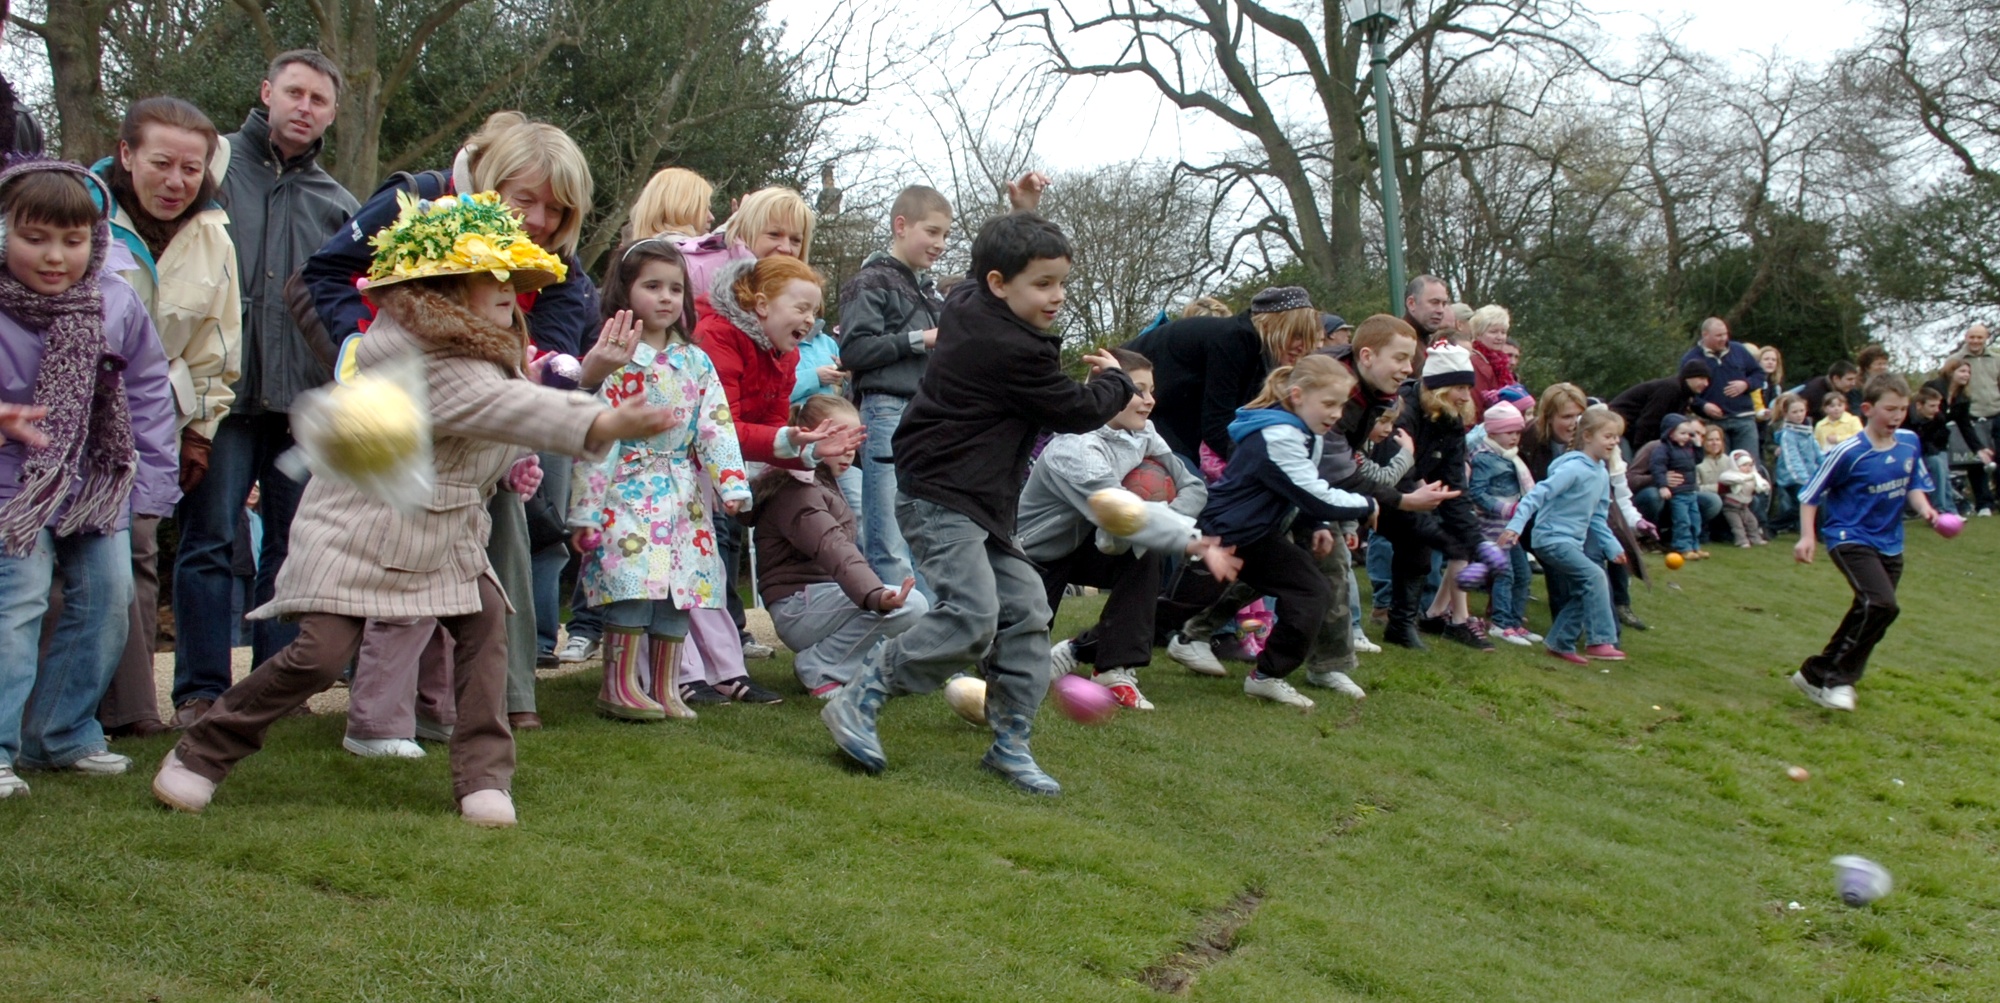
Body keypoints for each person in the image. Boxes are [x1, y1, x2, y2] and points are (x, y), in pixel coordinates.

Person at [152, 193, 673, 826]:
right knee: (317, 655)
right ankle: (202, 754)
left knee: (484, 631)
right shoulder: (428, 357)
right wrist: (606, 419)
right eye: (493, 278)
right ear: (448, 290)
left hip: (446, 530)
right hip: (358, 526)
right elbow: (512, 408)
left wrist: (585, 379)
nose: (512, 291)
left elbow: (515, 396)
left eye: (514, 278)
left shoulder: (485, 351)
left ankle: (484, 777)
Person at [818, 210, 1138, 796]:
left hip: (980, 500)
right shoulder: (1011, 346)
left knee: (1027, 610)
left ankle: (1010, 742)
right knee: (970, 615)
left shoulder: (968, 300)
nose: (1058, 296)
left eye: (1062, 282)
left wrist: (1016, 208)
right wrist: (1119, 381)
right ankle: (859, 695)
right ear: (1000, 284)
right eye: (1043, 283)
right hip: (942, 494)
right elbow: (1077, 410)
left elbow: (974, 270)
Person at [301, 110, 598, 730]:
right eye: (527, 202)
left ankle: (504, 703)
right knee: (387, 554)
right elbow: (329, 270)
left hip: (484, 423)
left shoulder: (557, 264)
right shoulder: (416, 203)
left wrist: (545, 368)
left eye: (558, 211)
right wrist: (359, 348)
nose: (541, 222)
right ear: (489, 184)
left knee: (502, 543)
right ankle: (374, 704)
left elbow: (557, 324)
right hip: (393, 412)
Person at [172, 51, 357, 735]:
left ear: (332, 115)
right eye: (294, 92)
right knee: (212, 540)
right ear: (267, 93)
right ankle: (198, 690)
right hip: (222, 397)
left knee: (294, 549)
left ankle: (276, 688)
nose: (304, 107)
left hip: (301, 404)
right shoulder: (212, 173)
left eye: (319, 100)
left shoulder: (337, 203)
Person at [0, 159, 178, 796]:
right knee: (16, 606)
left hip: (95, 484)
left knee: (108, 602)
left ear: (95, 240)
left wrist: (153, 486)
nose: (55, 257)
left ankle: (61, 732)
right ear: (3, 234)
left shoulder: (116, 300)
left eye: (72, 241)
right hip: (9, 490)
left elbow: (148, 393)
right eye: (35, 238)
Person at [89, 98, 242, 738]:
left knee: (135, 557)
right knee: (53, 566)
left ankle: (126, 712)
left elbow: (219, 343)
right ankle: (45, 715)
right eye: (161, 163)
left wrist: (199, 433)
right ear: (126, 155)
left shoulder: (213, 231)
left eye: (191, 168)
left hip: (155, 419)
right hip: (70, 412)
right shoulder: (83, 211)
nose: (176, 181)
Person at [570, 236, 753, 719]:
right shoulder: (614, 357)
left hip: (683, 495)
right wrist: (586, 511)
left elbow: (715, 423)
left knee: (681, 589)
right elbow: (598, 436)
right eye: (653, 286)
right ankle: (619, 686)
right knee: (631, 585)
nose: (667, 298)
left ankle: (668, 686)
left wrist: (731, 483)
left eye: (676, 288)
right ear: (626, 291)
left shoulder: (694, 360)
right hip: (626, 488)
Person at [690, 254, 860, 704]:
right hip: (684, 467)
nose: (810, 318)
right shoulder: (717, 336)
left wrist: (805, 449)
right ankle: (689, 672)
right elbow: (721, 427)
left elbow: (764, 430)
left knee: (707, 571)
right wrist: (795, 444)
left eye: (814, 310)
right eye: (801, 308)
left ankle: (723, 669)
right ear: (761, 305)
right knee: (689, 573)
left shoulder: (782, 354)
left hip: (719, 472)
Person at [1022, 349, 1223, 710]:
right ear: (1109, 393)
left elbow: (1194, 487)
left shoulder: (1143, 431)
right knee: (1010, 674)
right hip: (1038, 557)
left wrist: (1165, 518)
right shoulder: (1075, 447)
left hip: (1095, 543)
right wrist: (1192, 540)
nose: (1151, 401)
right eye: (1140, 390)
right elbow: (1121, 513)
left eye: (1151, 390)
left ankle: (1114, 668)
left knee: (1144, 553)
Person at [1196, 356, 1373, 707]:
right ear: (1297, 395)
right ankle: (1085, 649)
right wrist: (1371, 504)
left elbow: (1299, 486)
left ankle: (1266, 675)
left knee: (1310, 591)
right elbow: (1314, 494)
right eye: (1329, 403)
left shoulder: (1303, 430)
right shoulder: (1279, 434)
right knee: (1170, 605)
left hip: (1255, 533)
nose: (1337, 413)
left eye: (1341, 405)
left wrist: (1317, 525)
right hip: (1226, 532)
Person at [744, 394, 927, 698]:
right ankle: (821, 666)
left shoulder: (818, 480)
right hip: (798, 608)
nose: (848, 450)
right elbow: (833, 547)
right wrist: (875, 594)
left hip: (809, 603)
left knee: (907, 607)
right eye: (839, 438)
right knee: (911, 605)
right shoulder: (799, 490)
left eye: (855, 439)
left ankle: (855, 668)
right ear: (811, 438)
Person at [1789, 374, 1941, 712]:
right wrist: (1807, 536)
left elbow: (1914, 483)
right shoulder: (1849, 452)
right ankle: (1839, 680)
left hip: (1890, 541)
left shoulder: (1909, 442)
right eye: (1890, 409)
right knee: (1884, 605)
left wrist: (1927, 510)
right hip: (1849, 537)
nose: (1897, 416)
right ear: (1868, 409)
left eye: (1902, 409)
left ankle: (1814, 673)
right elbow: (1810, 495)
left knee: (1868, 610)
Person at [839, 185, 951, 585]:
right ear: (900, 225)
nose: (940, 243)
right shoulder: (869, 281)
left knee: (925, 532)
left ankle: (927, 638)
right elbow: (853, 351)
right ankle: (891, 638)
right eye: (932, 231)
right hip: (886, 410)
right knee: (888, 534)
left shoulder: (930, 292)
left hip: (928, 416)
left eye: (946, 235)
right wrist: (921, 339)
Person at [1122, 285, 1321, 470]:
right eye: (1296, 335)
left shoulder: (1256, 353)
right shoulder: (1234, 340)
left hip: (1170, 408)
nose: (1302, 346)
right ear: (1272, 326)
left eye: (1308, 338)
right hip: (1125, 402)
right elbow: (1217, 424)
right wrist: (1257, 465)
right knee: (1190, 481)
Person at [1499, 408, 1628, 665]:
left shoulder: (1601, 473)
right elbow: (1536, 495)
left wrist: (1612, 546)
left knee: (1586, 589)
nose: (1614, 442)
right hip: (1550, 538)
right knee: (1594, 576)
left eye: (1617, 437)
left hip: (1572, 543)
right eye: (1609, 436)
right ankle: (1600, 640)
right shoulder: (1572, 469)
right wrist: (1515, 526)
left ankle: (1560, 642)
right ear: (1588, 436)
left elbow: (1598, 518)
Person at [1381, 344, 1487, 651]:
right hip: (1378, 487)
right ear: (1437, 387)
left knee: (1419, 545)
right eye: (1459, 387)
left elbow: (1454, 486)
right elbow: (1396, 472)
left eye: (1468, 387)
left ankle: (1401, 625)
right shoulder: (1404, 410)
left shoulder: (1450, 421)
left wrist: (1473, 538)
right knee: (1421, 530)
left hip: (1415, 493)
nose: (1466, 397)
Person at [1468, 401, 1537, 645]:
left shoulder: (1511, 457)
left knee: (1523, 573)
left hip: (1510, 526)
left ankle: (1514, 622)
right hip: (1493, 527)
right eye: (1509, 432)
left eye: (1518, 432)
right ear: (1492, 432)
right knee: (1504, 574)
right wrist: (1506, 507)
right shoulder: (1485, 458)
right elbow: (1476, 492)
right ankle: (1500, 623)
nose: (1515, 437)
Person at [1680, 317, 1764, 457]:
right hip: (1713, 423)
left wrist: (1746, 384)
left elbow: (1759, 374)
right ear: (1705, 335)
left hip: (1744, 420)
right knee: (1720, 466)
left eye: (1725, 334)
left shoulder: (1739, 350)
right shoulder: (1691, 358)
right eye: (1718, 335)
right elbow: (1684, 390)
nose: (1724, 338)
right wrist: (1703, 405)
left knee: (1748, 465)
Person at [1942, 326, 1997, 515]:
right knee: (1976, 461)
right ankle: (1984, 504)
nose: (1975, 340)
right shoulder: (1955, 360)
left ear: (1986, 338)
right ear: (1966, 337)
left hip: (1996, 412)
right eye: (1972, 337)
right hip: (1970, 415)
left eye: (1979, 337)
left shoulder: (1996, 358)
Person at [1608, 358, 1710, 451]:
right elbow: (1648, 422)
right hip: (1618, 426)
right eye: (1701, 378)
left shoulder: (1685, 395)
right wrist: (1641, 452)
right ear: (1688, 377)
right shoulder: (1670, 389)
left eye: (1708, 380)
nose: (1706, 384)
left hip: (1631, 431)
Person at [1924, 359, 1984, 515]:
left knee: (1944, 474)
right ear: (1951, 372)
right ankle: (1939, 512)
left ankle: (1950, 512)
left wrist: (1979, 448)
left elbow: (1965, 426)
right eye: (1962, 371)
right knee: (1937, 470)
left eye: (1968, 372)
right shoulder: (1932, 388)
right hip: (1923, 438)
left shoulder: (1962, 398)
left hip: (1940, 441)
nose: (1967, 375)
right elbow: (1919, 414)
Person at [1651, 414, 1706, 558]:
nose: (1686, 437)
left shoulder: (1689, 447)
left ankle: (1695, 545)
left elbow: (1698, 461)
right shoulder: (1663, 449)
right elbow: (1658, 468)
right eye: (1682, 433)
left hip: (1691, 491)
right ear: (1670, 433)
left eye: (1689, 434)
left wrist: (1698, 445)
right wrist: (1663, 485)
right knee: (1682, 521)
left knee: (1695, 520)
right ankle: (1682, 547)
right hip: (1678, 493)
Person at [1768, 393, 1820, 534]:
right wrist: (1805, 480)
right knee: (1801, 506)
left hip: (1808, 475)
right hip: (1792, 477)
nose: (1799, 415)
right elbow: (1793, 459)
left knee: (1813, 504)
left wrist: (1825, 467)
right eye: (1795, 412)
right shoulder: (1787, 434)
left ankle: (1818, 533)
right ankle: (1772, 526)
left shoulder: (1808, 430)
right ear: (1786, 413)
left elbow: (1817, 451)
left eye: (1802, 411)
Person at [1904, 386, 1956, 517]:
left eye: (1937, 406)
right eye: (1932, 406)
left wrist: (1930, 446)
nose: (1936, 410)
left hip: (1929, 451)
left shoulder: (1938, 418)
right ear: (1919, 405)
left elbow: (1942, 438)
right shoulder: (1905, 418)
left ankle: (1941, 509)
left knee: (1939, 465)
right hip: (1906, 453)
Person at [1465, 304, 1517, 420]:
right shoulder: (1475, 362)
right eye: (1493, 332)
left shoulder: (1500, 362)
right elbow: (1475, 404)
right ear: (1478, 334)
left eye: (1503, 332)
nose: (1499, 337)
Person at [1718, 449, 1769, 546]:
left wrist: (1763, 486)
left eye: (1750, 465)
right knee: (1737, 526)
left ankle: (1755, 539)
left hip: (1744, 506)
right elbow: (1724, 479)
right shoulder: (1730, 475)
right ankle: (1741, 541)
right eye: (1744, 465)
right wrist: (1745, 479)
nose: (1748, 468)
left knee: (1752, 522)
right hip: (1731, 506)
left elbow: (1762, 484)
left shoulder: (1753, 476)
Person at [1799, 360, 1860, 425]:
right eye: (1849, 379)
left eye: (1854, 379)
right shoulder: (1816, 392)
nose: (1853, 383)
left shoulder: (1845, 389)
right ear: (1836, 379)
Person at [1402, 275, 1452, 343]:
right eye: (1434, 302)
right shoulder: (1399, 342)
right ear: (1411, 303)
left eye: (1443, 304)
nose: (1441, 310)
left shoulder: (1427, 341)